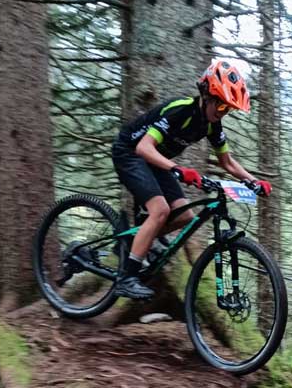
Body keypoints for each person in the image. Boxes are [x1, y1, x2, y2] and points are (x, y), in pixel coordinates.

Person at [111, 59, 272, 300]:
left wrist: (253, 181)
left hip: (155, 160)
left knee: (185, 215)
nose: (222, 112)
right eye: (221, 105)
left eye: (228, 109)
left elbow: (227, 162)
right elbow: (143, 147)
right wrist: (178, 170)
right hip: (130, 152)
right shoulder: (181, 110)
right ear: (207, 96)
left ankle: (137, 242)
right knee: (160, 210)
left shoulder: (212, 125)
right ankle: (126, 278)